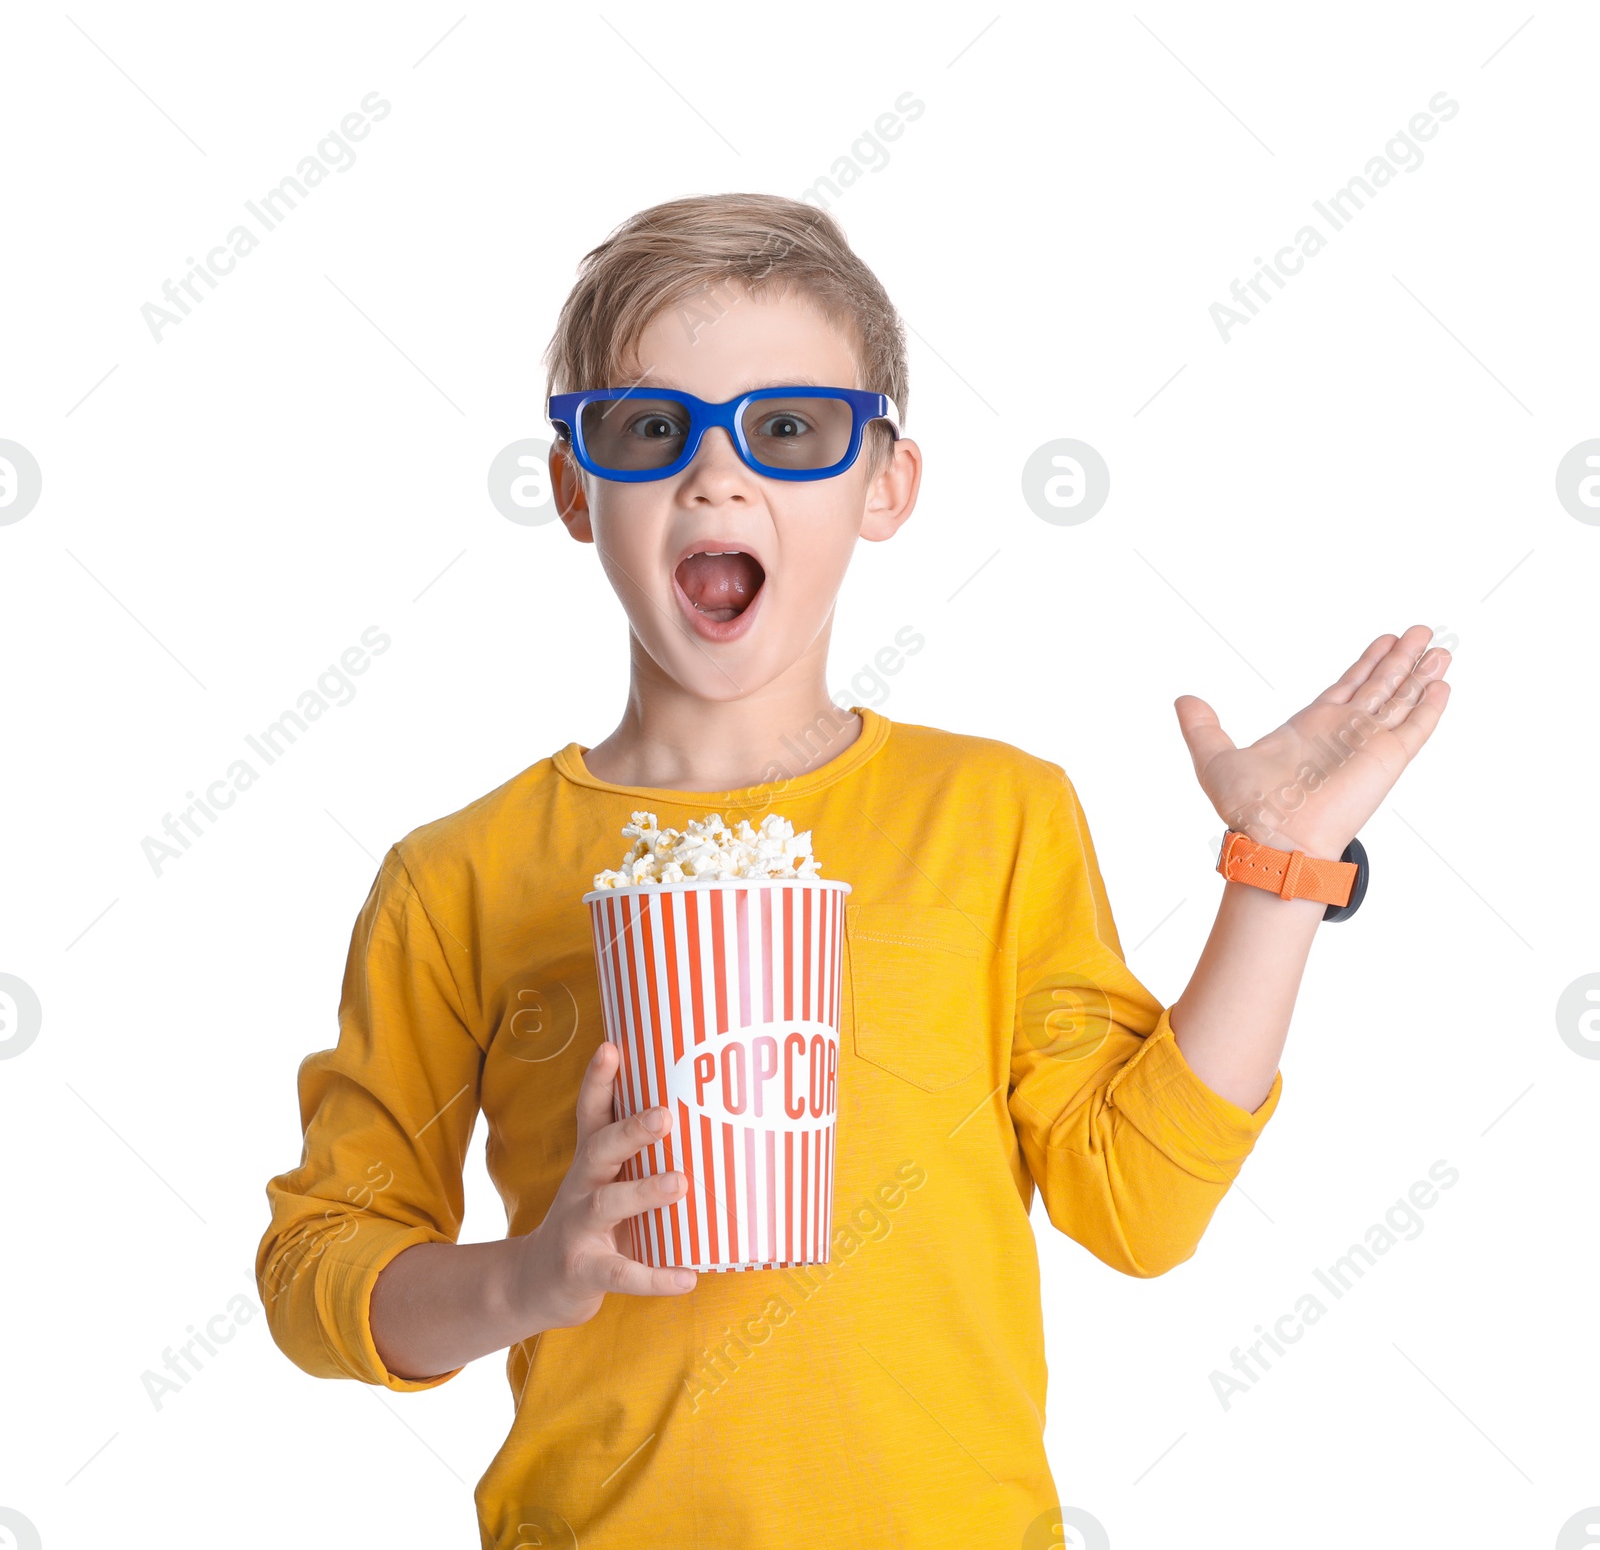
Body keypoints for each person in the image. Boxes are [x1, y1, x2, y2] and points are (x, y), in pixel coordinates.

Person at [255, 191, 1452, 1549]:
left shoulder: (993, 817)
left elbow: (1140, 1205)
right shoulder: (458, 879)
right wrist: (532, 1276)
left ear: (886, 483)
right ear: (575, 486)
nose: (718, 476)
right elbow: (319, 1268)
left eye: (789, 429)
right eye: (652, 429)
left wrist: (1277, 871)